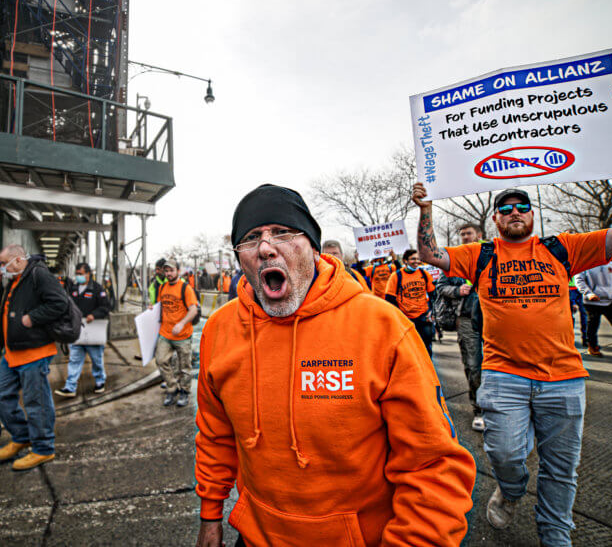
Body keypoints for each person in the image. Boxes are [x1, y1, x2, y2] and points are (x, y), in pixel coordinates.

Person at [412, 138, 612, 547]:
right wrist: (426, 210)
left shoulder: (563, 247)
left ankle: (555, 536)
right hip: (502, 378)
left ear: (532, 215)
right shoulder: (480, 254)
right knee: (505, 456)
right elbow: (430, 253)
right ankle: (512, 489)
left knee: (560, 468)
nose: (514, 212)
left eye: (521, 207)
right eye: (505, 209)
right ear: (496, 220)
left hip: (564, 379)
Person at [195, 184, 475, 547]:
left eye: (282, 232)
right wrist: (210, 515)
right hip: (255, 538)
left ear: (312, 246)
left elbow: (433, 465)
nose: (265, 247)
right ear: (240, 257)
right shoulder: (220, 330)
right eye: (250, 238)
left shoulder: (382, 327)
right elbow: (215, 435)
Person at [0, 246, 67, 470]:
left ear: (18, 260)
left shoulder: (39, 275)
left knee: (36, 401)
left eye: (3, 263)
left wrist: (32, 318)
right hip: (12, 352)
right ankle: (21, 436)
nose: (2, 268)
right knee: (2, 394)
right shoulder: (15, 280)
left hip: (34, 351)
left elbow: (60, 303)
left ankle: (43, 448)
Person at [436, 222, 484, 431]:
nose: (465, 237)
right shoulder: (451, 260)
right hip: (466, 319)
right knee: (473, 365)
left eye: (469, 233)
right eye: (462, 234)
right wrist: (457, 291)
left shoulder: (493, 256)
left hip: (496, 320)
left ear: (478, 235)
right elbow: (440, 287)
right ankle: (479, 410)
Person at [55, 263, 111, 397]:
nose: (78, 276)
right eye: (77, 274)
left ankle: (100, 382)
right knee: (74, 359)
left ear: (88, 274)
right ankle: (70, 387)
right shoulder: (73, 289)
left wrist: (94, 314)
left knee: (96, 359)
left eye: (81, 274)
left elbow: (106, 306)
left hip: (93, 331)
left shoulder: (97, 289)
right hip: (77, 331)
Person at [154, 260, 198, 407]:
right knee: (160, 360)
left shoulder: (185, 288)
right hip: (165, 333)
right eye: (166, 271)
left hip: (183, 335)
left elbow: (193, 310)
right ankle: (172, 388)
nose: (168, 274)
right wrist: (151, 309)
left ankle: (184, 392)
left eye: (171, 270)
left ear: (178, 271)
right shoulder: (162, 287)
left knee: (184, 367)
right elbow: (159, 306)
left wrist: (181, 323)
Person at [384, 249, 436, 357]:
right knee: (409, 349)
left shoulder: (424, 274)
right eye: (413, 259)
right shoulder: (396, 276)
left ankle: (427, 371)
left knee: (426, 347)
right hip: (406, 318)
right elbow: (389, 300)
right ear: (405, 261)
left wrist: (431, 311)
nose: (416, 261)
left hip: (423, 316)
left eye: (417, 259)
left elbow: (433, 295)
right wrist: (399, 316)